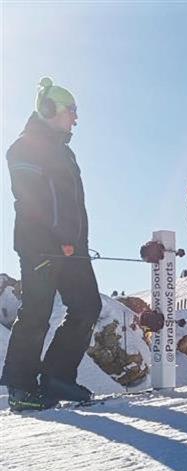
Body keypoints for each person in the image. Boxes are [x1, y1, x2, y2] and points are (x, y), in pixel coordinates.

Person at [1, 77, 102, 411]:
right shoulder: (24, 147)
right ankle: (21, 389)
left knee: (87, 306)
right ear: (49, 109)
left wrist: (76, 242)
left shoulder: (65, 152)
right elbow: (33, 200)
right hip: (40, 245)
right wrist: (60, 239)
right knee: (36, 312)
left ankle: (58, 376)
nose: (75, 118)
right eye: (71, 110)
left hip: (72, 247)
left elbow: (69, 203)